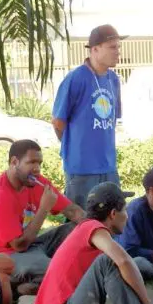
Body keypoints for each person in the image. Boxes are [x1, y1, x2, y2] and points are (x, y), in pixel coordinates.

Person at [32, 182, 153, 304]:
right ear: (113, 214)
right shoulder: (92, 228)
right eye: (124, 210)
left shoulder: (84, 229)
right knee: (109, 262)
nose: (127, 216)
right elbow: (123, 261)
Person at [0, 139, 84, 290]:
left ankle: (31, 283)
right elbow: (19, 245)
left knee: (80, 229)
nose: (37, 169)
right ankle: (15, 285)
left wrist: (98, 228)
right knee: (57, 271)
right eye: (31, 162)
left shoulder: (37, 183)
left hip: (29, 245)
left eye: (39, 163)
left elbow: (73, 211)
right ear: (14, 162)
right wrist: (44, 208)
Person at [52, 24, 124, 209]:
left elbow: (113, 120)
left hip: (108, 166)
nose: (118, 52)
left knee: (111, 221)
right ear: (95, 49)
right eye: (112, 47)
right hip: (81, 169)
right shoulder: (76, 78)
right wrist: (74, 145)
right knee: (80, 224)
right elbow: (58, 121)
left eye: (118, 47)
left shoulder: (113, 80)